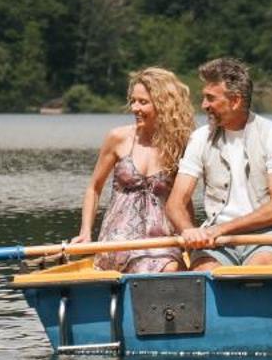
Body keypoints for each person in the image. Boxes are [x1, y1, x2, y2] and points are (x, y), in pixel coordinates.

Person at [167, 56, 272, 271]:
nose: (204, 105)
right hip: (216, 239)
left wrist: (224, 229)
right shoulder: (200, 138)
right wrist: (188, 230)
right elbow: (175, 203)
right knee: (202, 273)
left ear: (235, 101)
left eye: (210, 98)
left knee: (259, 270)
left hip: (269, 235)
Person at [73, 67, 195, 273]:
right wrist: (86, 232)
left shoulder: (178, 145)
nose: (134, 108)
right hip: (119, 239)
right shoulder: (118, 138)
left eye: (143, 102)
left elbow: (184, 199)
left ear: (163, 105)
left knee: (174, 267)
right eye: (133, 101)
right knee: (169, 267)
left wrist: (190, 234)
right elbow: (94, 188)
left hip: (161, 239)